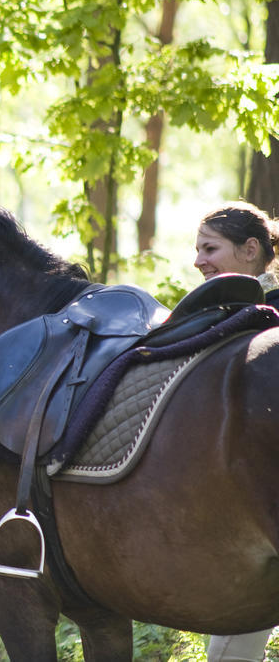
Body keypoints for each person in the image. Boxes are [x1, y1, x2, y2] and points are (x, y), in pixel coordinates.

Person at [194, 201, 278, 662]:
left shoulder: (264, 318)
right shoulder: (232, 312)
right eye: (197, 249)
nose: (198, 260)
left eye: (210, 248)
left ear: (250, 250)